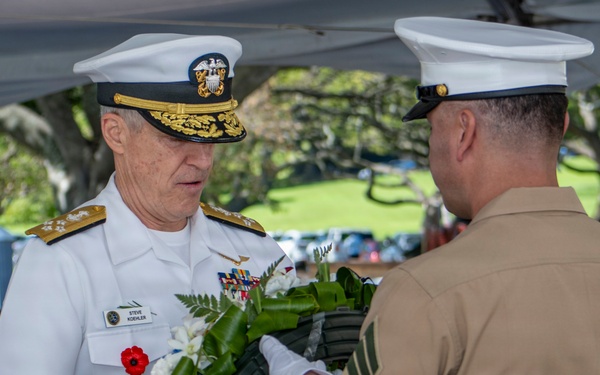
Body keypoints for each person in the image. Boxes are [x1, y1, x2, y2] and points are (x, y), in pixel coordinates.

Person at [259, 16, 600, 374]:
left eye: (433, 127)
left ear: (463, 132)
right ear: (561, 127)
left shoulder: (425, 291)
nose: (431, 145)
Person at [0, 34, 293, 374]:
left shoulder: (255, 248)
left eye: (211, 138)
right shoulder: (61, 262)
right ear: (115, 133)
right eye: (177, 137)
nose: (201, 160)